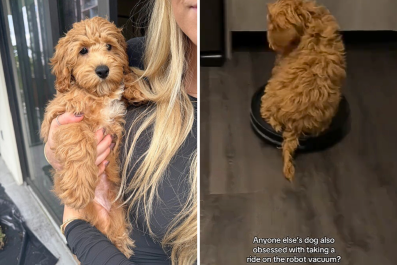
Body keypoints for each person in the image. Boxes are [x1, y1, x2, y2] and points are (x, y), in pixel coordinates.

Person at [43, 1, 197, 264]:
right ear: (66, 69)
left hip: (110, 230)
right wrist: (55, 151)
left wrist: (77, 230)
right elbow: (55, 131)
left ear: (120, 55)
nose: (101, 61)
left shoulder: (129, 76)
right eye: (83, 51)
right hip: (93, 216)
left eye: (109, 47)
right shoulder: (140, 54)